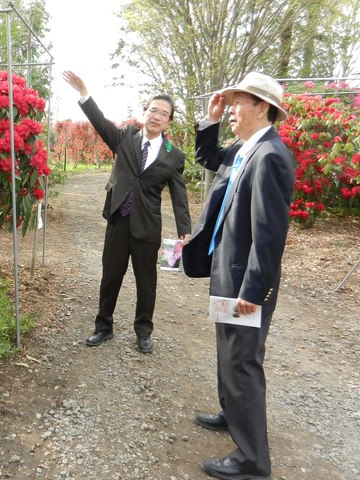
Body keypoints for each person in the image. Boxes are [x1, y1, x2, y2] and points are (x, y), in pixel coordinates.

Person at [182, 72, 294, 480]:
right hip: (225, 271)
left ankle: (252, 460)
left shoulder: (271, 157)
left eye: (237, 102)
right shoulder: (246, 149)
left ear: (262, 107)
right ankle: (232, 414)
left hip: (245, 283)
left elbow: (268, 235)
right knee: (228, 353)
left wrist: (254, 291)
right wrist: (209, 122)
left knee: (243, 361)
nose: (230, 108)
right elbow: (208, 158)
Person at [63, 70, 191, 353]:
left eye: (163, 114)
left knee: (147, 283)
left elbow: (179, 195)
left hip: (148, 225)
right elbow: (99, 123)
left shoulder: (174, 154)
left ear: (169, 121)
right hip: (119, 220)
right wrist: (85, 93)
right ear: (145, 112)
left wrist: (184, 229)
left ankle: (143, 331)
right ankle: (103, 327)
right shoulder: (125, 138)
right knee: (110, 277)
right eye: (153, 110)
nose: (157, 116)